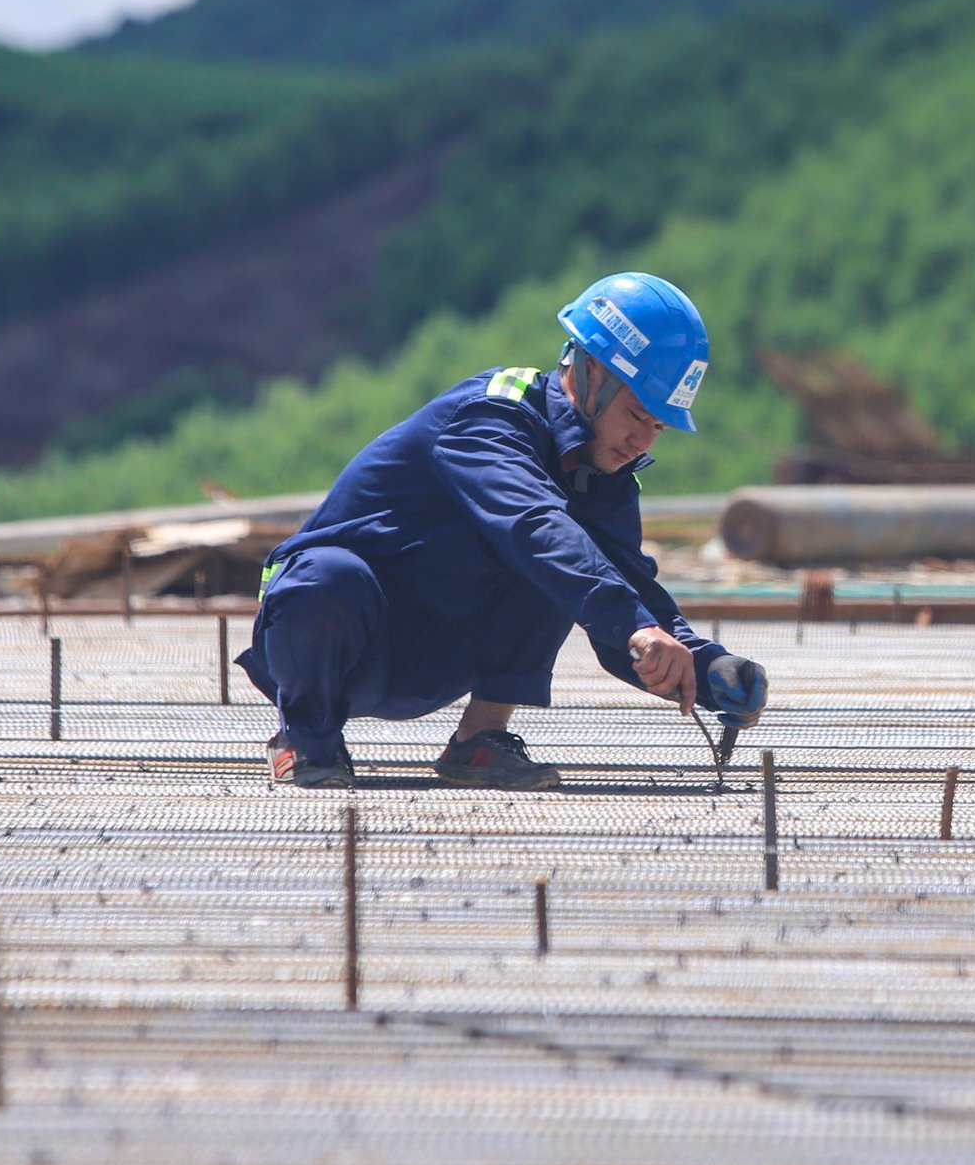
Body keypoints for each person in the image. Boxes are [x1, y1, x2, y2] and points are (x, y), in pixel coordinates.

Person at [237, 271, 768, 789]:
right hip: (330, 639)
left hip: (433, 657)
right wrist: (634, 624)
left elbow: (630, 598)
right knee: (332, 575)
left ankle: (479, 741)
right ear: (591, 374)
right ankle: (306, 738)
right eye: (636, 415)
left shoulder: (600, 473)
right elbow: (532, 524)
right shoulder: (490, 417)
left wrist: (708, 668)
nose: (642, 441)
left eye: (658, 427)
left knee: (576, 562)